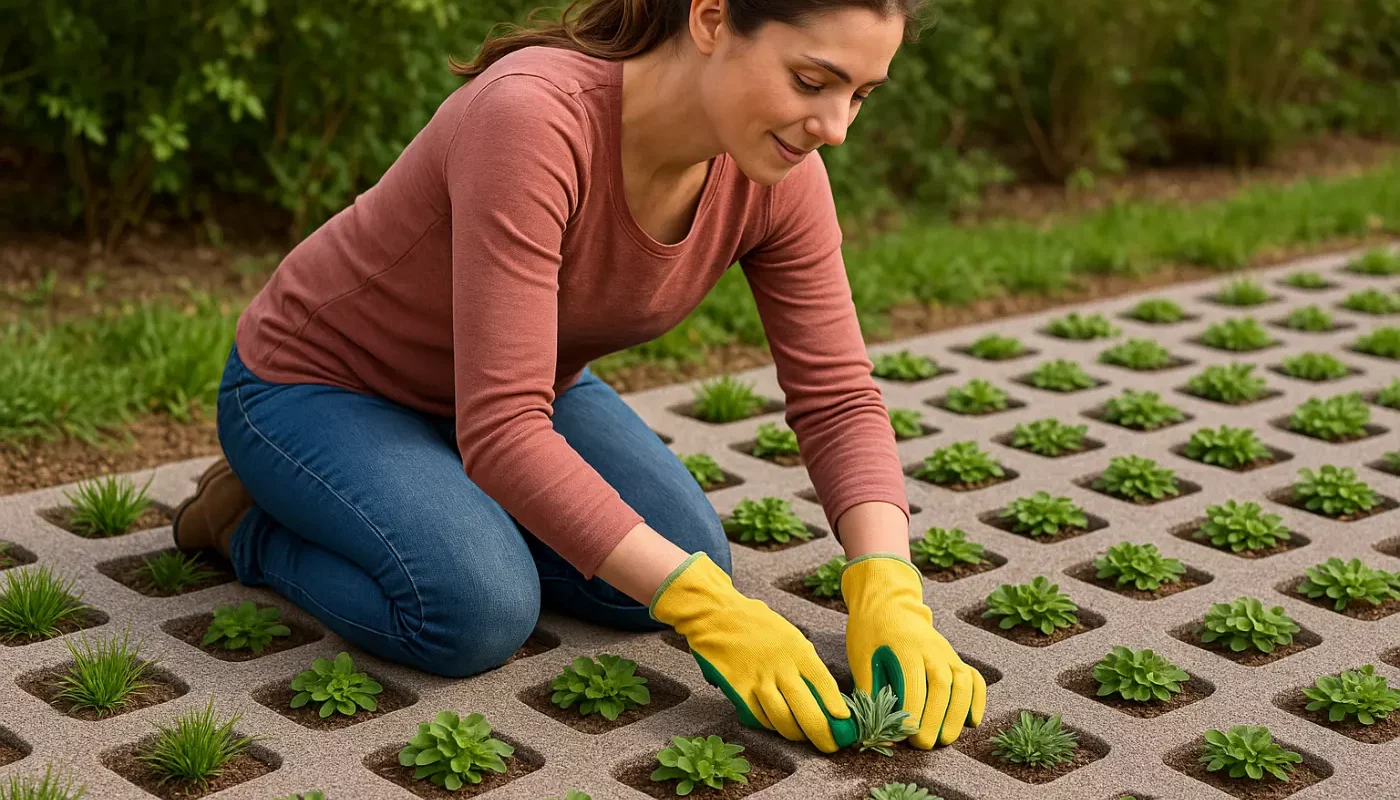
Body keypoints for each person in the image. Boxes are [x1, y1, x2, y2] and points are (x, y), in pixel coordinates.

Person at [171, 0, 986, 754]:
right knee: (476, 608)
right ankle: (248, 519)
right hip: (318, 387)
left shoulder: (778, 177)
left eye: (862, 95)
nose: (837, 127)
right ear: (710, 17)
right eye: (813, 81)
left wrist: (886, 585)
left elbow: (838, 396)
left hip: (511, 393)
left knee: (680, 563)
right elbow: (505, 429)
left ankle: (437, 495)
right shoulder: (531, 117)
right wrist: (705, 611)